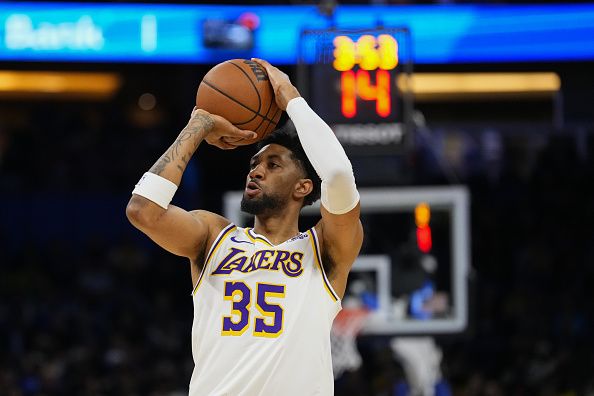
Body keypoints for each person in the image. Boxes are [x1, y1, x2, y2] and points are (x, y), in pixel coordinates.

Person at [126, 58, 363, 395]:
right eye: (254, 163)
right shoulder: (213, 235)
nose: (256, 171)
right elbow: (142, 210)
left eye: (273, 164)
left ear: (303, 187)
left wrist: (289, 96)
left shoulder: (324, 249)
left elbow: (339, 175)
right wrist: (199, 124)